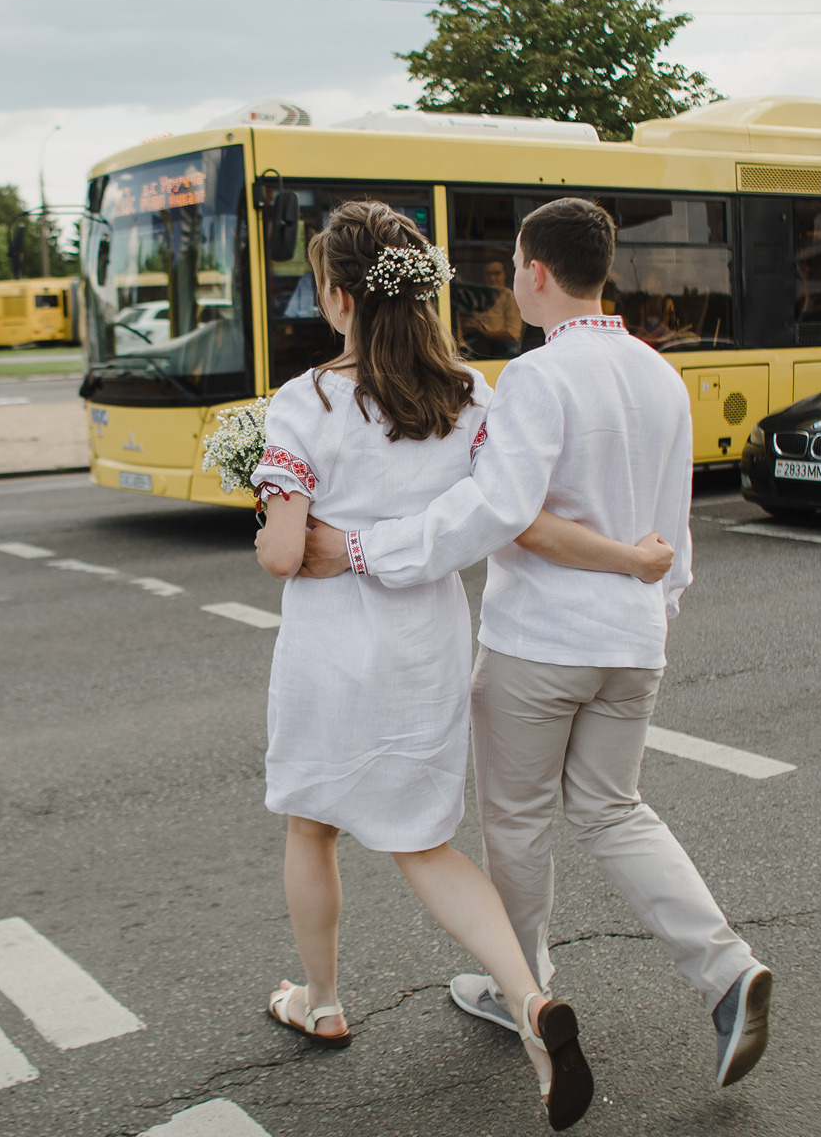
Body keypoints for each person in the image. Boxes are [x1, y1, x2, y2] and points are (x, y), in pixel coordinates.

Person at [301, 196, 774, 1089]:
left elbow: (497, 514)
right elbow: (673, 533)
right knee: (616, 811)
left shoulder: (537, 377)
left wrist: (360, 548)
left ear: (538, 274)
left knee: (517, 825)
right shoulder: (661, 376)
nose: (512, 277)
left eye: (516, 262)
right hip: (635, 641)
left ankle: (521, 986)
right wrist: (651, 605)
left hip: (541, 643)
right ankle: (726, 972)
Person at [250, 202, 675, 1130]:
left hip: (330, 649)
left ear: (342, 295)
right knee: (425, 845)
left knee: (311, 827)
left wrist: (275, 508)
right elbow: (502, 513)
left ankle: (319, 1001)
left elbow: (284, 555)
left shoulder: (302, 402)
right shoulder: (470, 399)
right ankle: (530, 1001)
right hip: (425, 645)